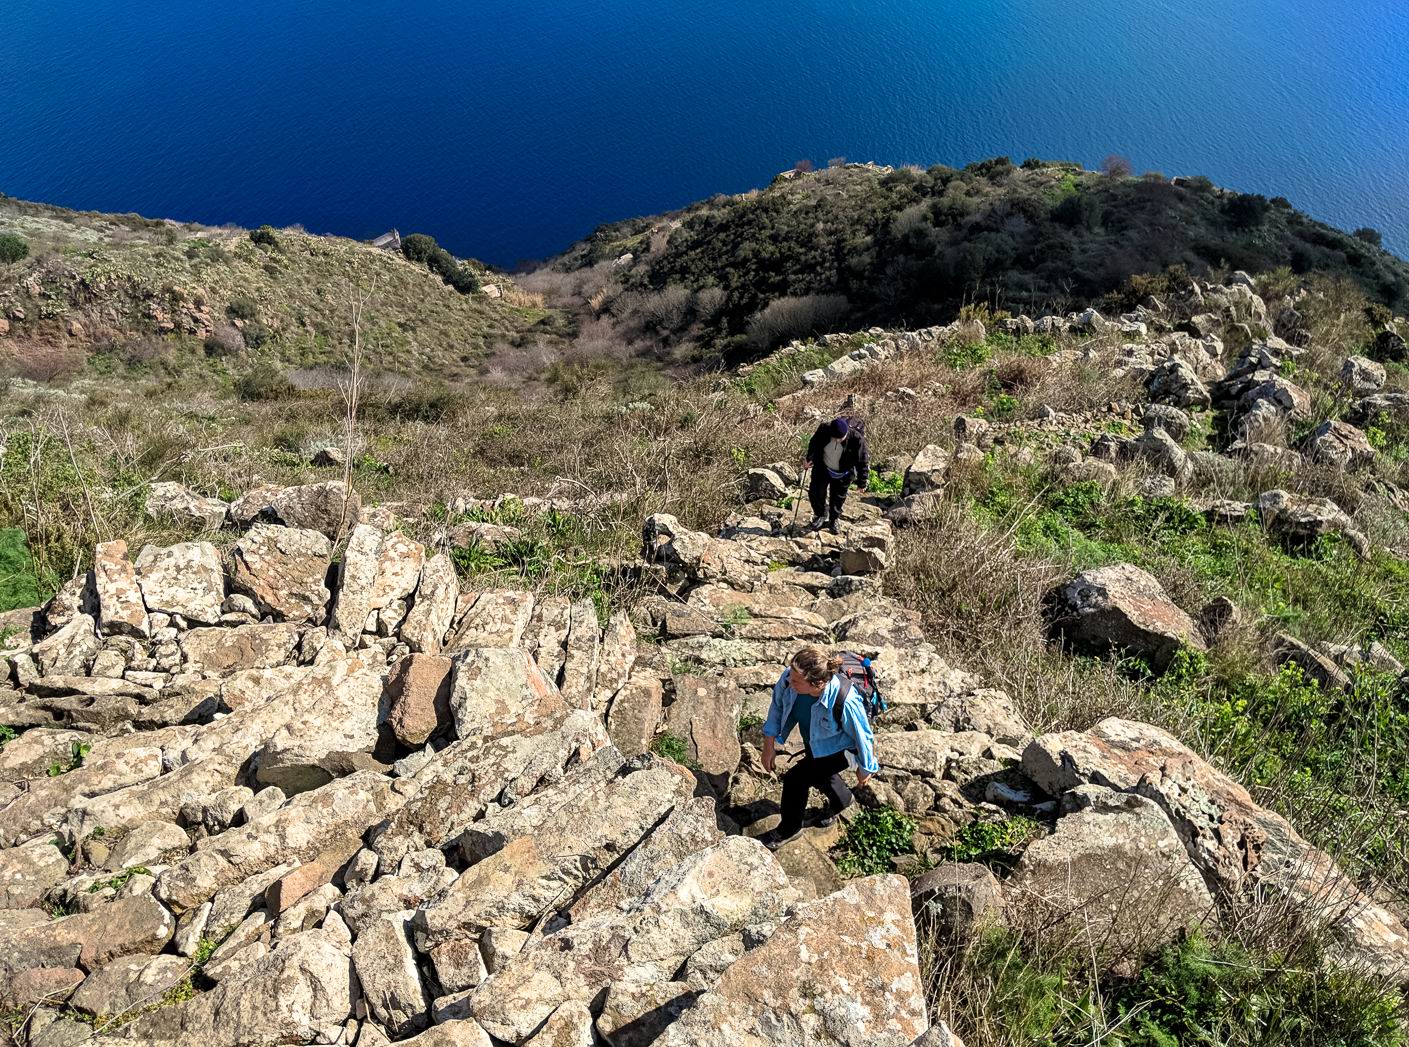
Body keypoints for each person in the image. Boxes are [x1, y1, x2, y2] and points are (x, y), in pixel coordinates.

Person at [758, 647, 879, 850]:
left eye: (797, 681)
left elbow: (863, 735)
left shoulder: (845, 700)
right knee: (820, 774)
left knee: (795, 780)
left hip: (841, 750)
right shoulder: (790, 678)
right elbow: (777, 707)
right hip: (814, 740)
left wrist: (865, 768)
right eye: (791, 676)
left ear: (818, 683)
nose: (790, 682)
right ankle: (843, 799)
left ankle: (790, 829)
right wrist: (768, 746)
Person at [802, 417, 870, 534]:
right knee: (815, 492)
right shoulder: (824, 430)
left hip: (844, 473)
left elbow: (862, 461)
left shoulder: (857, 439)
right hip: (823, 468)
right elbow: (814, 443)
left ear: (846, 434)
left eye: (840, 438)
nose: (837, 441)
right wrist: (809, 458)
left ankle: (834, 520)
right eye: (834, 438)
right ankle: (821, 515)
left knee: (838, 497)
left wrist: (862, 482)